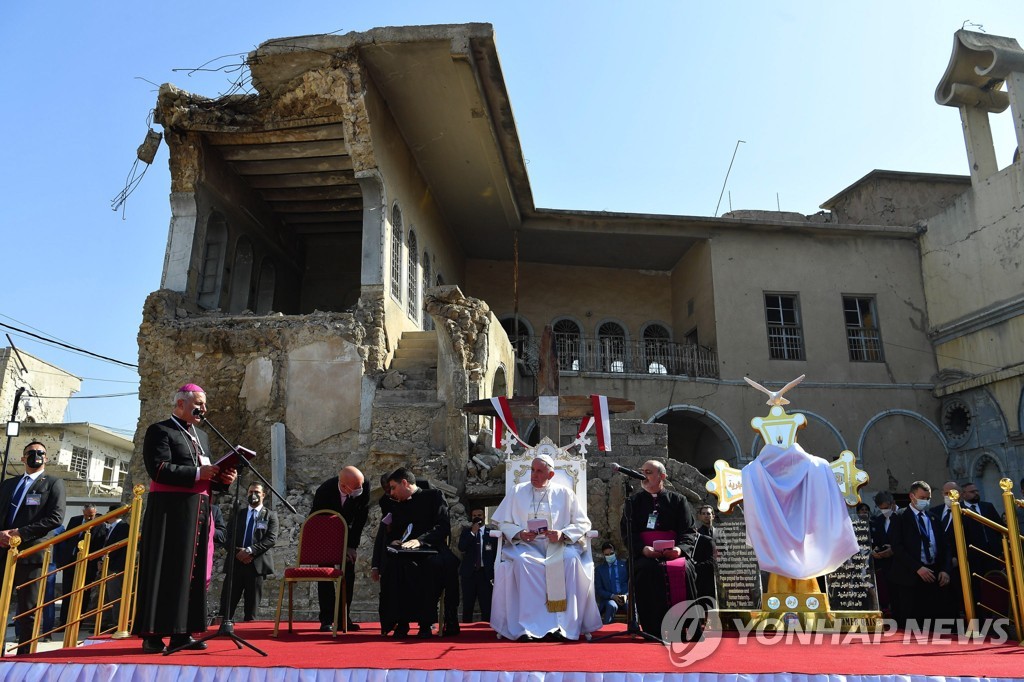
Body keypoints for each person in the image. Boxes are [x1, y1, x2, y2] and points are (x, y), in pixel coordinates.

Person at [134, 384, 237, 654]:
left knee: (191, 573)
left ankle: (183, 633)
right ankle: (153, 635)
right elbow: (158, 469)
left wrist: (222, 479)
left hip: (198, 512)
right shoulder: (160, 431)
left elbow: (205, 475)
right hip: (169, 513)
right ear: (181, 403)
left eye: (204, 405)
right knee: (166, 571)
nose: (204, 409)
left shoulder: (200, 436)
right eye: (199, 404)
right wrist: (198, 474)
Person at [491, 454, 602, 641]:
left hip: (558, 545)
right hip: (527, 546)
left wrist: (563, 534)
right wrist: (519, 533)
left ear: (550, 475)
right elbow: (501, 522)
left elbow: (583, 523)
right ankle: (527, 627)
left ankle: (565, 627)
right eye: (532, 470)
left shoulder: (565, 493)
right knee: (522, 562)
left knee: (570, 561)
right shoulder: (517, 491)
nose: (533, 475)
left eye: (539, 471)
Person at [0, 441, 66, 655]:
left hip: (31, 555)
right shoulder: (9, 484)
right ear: (23, 457)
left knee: (28, 610)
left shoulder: (53, 483)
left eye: (41, 453)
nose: (36, 455)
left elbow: (55, 518)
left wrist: (20, 533)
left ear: (46, 458)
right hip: (3, 552)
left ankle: (24, 654)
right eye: (31, 452)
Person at [621, 460, 697, 637]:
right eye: (642, 471)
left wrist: (679, 550)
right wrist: (644, 549)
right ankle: (653, 629)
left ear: (662, 476)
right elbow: (627, 533)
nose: (643, 476)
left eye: (648, 472)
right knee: (647, 570)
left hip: (674, 553)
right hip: (645, 554)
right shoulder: (633, 502)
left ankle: (686, 627)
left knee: (685, 569)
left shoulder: (678, 501)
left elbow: (688, 531)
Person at [380, 468, 451, 638]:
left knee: (428, 567)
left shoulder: (434, 496)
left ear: (404, 483)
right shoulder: (396, 503)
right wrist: (395, 539)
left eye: (393, 487)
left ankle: (425, 623)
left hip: (430, 548)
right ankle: (400, 622)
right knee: (393, 567)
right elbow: (395, 529)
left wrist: (421, 541)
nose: (391, 492)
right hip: (405, 551)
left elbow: (443, 527)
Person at [310, 465, 369, 631]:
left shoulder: (363, 487)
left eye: (361, 485)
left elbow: (360, 519)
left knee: (348, 574)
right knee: (326, 574)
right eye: (356, 488)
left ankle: (344, 618)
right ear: (344, 486)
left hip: (349, 535)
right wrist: (331, 546)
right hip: (325, 536)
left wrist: (351, 546)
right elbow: (318, 521)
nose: (361, 490)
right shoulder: (325, 491)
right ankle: (327, 619)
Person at [889, 480, 951, 630]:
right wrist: (917, 568)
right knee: (912, 622)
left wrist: (945, 569)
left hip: (933, 574)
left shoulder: (933, 518)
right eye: (922, 498)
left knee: (934, 620)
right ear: (912, 496)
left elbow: (945, 546)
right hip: (910, 575)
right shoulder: (899, 517)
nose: (925, 501)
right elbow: (897, 547)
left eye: (928, 498)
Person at [223, 482, 277, 622]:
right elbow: (227, 536)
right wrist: (238, 553)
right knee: (226, 606)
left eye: (257, 492)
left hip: (256, 565)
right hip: (235, 564)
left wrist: (249, 551)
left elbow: (270, 539)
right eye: (250, 491)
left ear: (263, 495)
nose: (253, 495)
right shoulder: (238, 513)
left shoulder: (270, 515)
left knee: (251, 610)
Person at [58, 503, 108, 629]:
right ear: (83, 512)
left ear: (95, 513)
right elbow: (67, 538)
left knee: (83, 594)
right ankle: (63, 623)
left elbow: (99, 545)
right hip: (70, 562)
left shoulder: (100, 524)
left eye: (91, 515)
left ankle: (77, 623)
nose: (89, 518)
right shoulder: (75, 520)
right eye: (86, 515)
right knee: (67, 593)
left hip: (87, 564)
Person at [458, 505, 496, 622]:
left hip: (485, 574)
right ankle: (465, 628)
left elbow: (495, 552)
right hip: (469, 573)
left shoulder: (491, 533)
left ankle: (486, 627)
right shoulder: (466, 532)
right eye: (474, 516)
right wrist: (473, 533)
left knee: (486, 603)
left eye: (479, 515)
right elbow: (462, 547)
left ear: (484, 516)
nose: (477, 518)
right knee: (468, 603)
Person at [100, 503, 130, 632]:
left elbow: (118, 547)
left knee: (115, 595)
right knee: (106, 596)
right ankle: (105, 622)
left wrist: (106, 559)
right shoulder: (110, 528)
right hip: (106, 565)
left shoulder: (123, 527)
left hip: (115, 566)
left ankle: (117, 623)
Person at [869, 491, 896, 616]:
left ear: (892, 504)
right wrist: (875, 550)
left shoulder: (902, 516)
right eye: (881, 509)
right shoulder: (879, 520)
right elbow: (877, 540)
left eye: (886, 508)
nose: (884, 510)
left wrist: (893, 549)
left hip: (900, 563)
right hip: (885, 565)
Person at [594, 542, 628, 624]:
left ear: (615, 552)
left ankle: (634, 628)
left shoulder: (625, 566)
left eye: (611, 553)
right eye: (607, 555)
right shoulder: (600, 570)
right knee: (611, 605)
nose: (610, 556)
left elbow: (631, 583)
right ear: (604, 555)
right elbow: (599, 589)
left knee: (630, 606)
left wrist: (626, 595)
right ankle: (606, 629)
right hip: (610, 598)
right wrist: (612, 596)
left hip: (625, 597)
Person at [692, 504, 718, 602]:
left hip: (717, 573)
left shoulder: (720, 533)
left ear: (713, 516)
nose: (706, 515)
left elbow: (724, 551)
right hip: (702, 574)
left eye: (708, 513)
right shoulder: (696, 534)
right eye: (703, 513)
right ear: (699, 516)